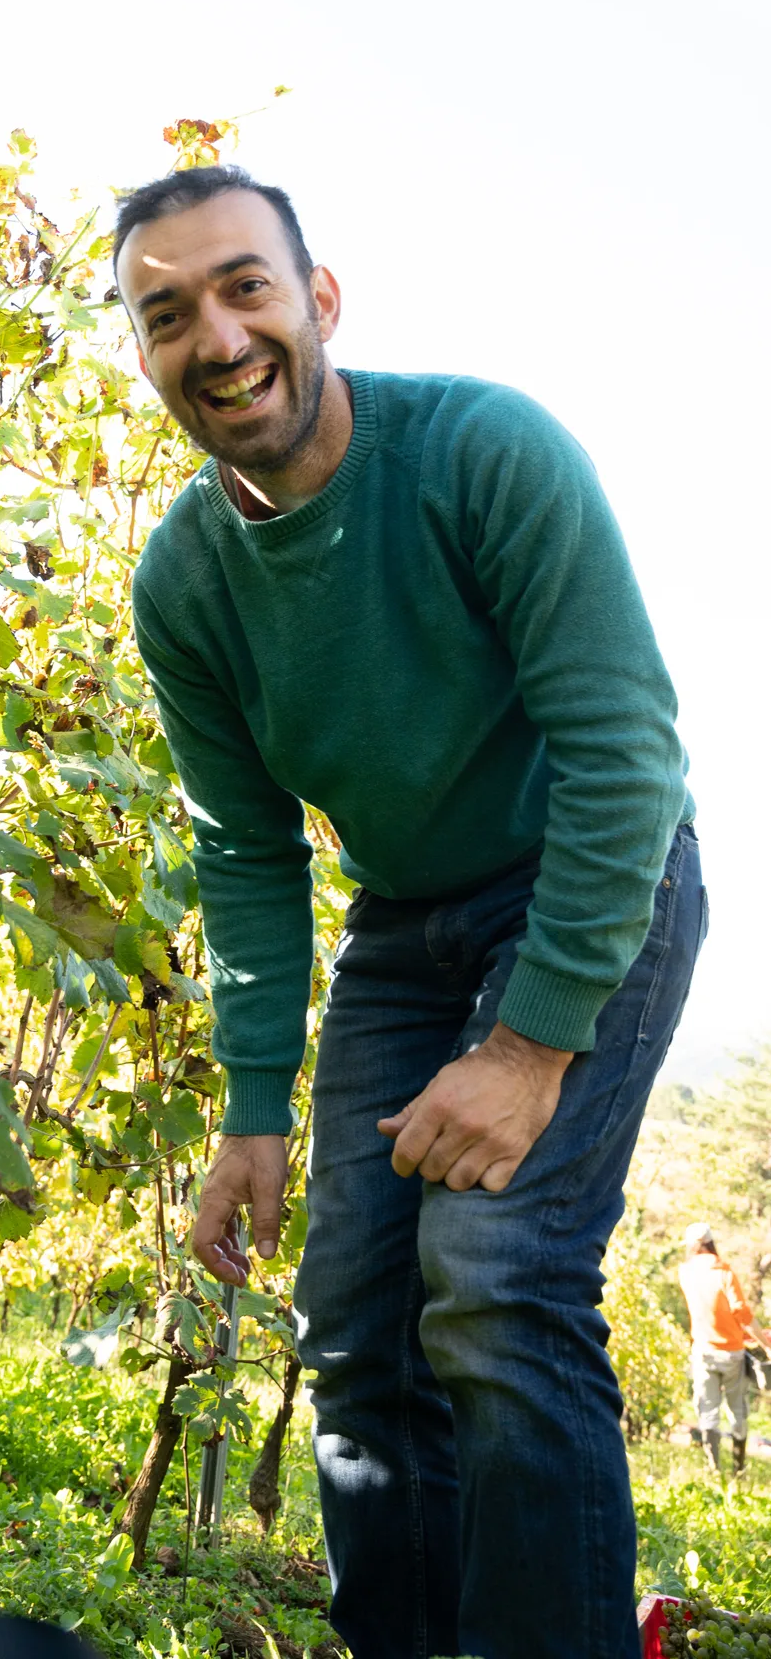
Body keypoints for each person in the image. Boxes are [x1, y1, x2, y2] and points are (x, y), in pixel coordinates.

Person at [117, 165, 707, 1659]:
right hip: (404, 923)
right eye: (167, 315)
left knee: (496, 1277)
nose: (216, 337)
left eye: (245, 287)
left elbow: (623, 753)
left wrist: (527, 1046)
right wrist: (254, 1105)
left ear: (318, 299)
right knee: (355, 1323)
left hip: (589, 876)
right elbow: (245, 849)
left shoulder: (480, 450)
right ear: (147, 354)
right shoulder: (184, 580)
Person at [678, 1221, 770, 1474]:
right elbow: (740, 1313)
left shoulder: (685, 1273)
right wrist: (765, 1344)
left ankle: (714, 1469)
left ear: (692, 1246)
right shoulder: (724, 1273)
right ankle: (738, 1470)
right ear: (710, 1243)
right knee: (737, 1410)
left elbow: (709, 1313)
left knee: (707, 1411)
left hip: (703, 1351)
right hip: (731, 1354)